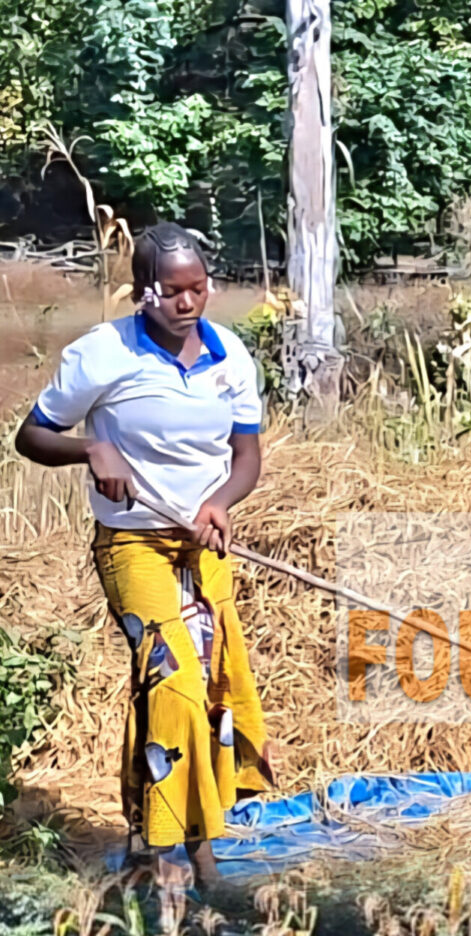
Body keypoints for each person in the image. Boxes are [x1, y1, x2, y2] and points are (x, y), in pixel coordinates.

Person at [12, 223, 275, 893]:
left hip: (203, 541)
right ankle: (180, 854)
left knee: (205, 689)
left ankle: (152, 835)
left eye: (198, 288)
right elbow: (32, 435)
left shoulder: (230, 357)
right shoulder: (104, 355)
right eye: (172, 291)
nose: (187, 303)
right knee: (176, 680)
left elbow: (246, 457)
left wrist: (220, 502)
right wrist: (91, 452)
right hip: (132, 542)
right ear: (143, 291)